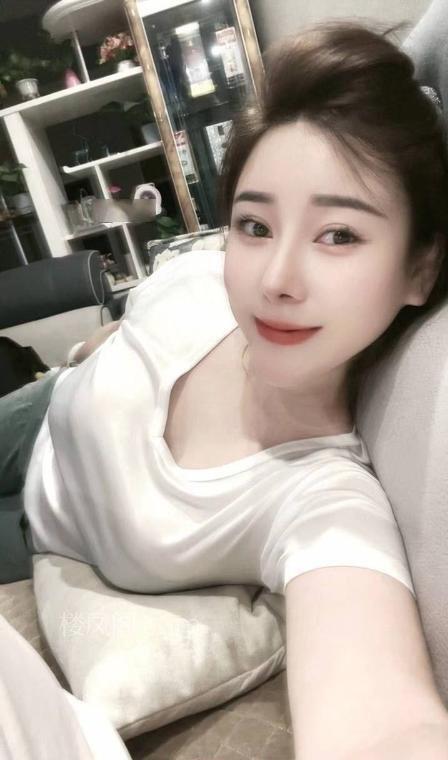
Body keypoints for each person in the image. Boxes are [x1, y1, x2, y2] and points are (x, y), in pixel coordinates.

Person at [2, 19, 448, 759]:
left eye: (338, 234)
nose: (276, 279)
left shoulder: (321, 501)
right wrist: (77, 355)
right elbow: (133, 329)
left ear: (420, 269)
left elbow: (382, 719)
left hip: (31, 534)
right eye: (255, 224)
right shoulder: (204, 275)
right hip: (38, 409)